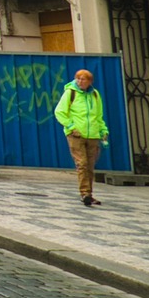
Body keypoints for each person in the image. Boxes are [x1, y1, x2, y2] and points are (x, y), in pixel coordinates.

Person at [55, 68, 110, 207]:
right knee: (82, 163)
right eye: (78, 78)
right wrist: (71, 127)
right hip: (76, 135)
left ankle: (89, 194)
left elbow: (98, 115)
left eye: (83, 79)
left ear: (89, 82)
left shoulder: (95, 95)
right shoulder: (70, 93)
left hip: (93, 135)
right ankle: (85, 193)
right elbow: (60, 112)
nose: (80, 81)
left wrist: (103, 130)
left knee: (90, 166)